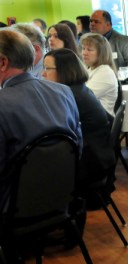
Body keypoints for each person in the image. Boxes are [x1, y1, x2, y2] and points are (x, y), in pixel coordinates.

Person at [0, 28, 82, 204]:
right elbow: (77, 147)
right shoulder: (64, 91)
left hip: (14, 206)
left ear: (3, 62)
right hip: (63, 197)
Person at [42, 48, 114, 185]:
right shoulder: (77, 89)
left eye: (47, 69)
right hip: (98, 154)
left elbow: (54, 130)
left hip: (90, 162)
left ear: (64, 71)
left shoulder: (70, 96)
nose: (43, 73)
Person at [90, 10, 128, 74]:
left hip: (118, 81)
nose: (92, 24)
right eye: (91, 21)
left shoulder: (125, 41)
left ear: (108, 25)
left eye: (96, 21)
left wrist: (119, 75)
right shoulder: (85, 42)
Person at [80, 33, 118, 116]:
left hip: (101, 123)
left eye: (89, 50)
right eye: (83, 48)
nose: (84, 53)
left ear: (101, 53)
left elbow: (83, 98)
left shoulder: (105, 72)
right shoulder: (90, 69)